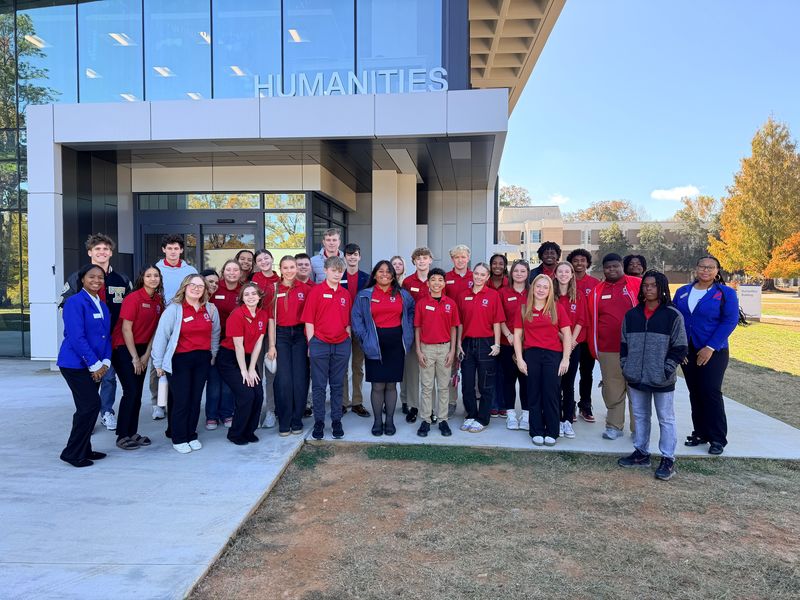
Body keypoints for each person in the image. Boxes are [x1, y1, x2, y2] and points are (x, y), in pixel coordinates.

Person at [618, 271, 688, 480]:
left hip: (661, 377)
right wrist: (626, 366)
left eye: (653, 286)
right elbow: (623, 344)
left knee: (666, 418)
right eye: (645, 286)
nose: (648, 289)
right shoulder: (632, 315)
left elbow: (680, 346)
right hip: (635, 376)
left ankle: (668, 458)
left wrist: (667, 368)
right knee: (640, 416)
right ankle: (641, 453)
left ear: (661, 288)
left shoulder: (672, 315)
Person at [60, 233, 132, 432]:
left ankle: (106, 411)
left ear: (111, 252)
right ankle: (87, 413)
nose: (102, 252)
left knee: (108, 376)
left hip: (113, 338)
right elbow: (65, 306)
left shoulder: (121, 278)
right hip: (86, 340)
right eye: (97, 249)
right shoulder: (77, 277)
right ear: (90, 252)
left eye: (106, 249)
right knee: (87, 380)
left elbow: (129, 307)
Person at [673, 256, 739, 455]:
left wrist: (710, 347)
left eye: (711, 268)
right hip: (688, 350)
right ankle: (700, 432)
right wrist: (680, 348)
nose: (706, 270)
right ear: (696, 268)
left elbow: (729, 321)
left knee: (710, 391)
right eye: (702, 266)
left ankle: (717, 438)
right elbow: (675, 318)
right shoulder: (683, 292)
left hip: (714, 350)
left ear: (717, 271)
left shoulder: (725, 293)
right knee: (695, 391)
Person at [152, 274, 220, 454]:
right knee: (182, 400)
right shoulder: (174, 309)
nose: (196, 288)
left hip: (202, 360)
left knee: (195, 399)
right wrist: (158, 363)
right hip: (180, 360)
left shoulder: (210, 309)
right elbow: (161, 337)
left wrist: (212, 354)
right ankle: (179, 437)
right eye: (193, 285)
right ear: (185, 286)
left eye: (200, 286)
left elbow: (215, 333)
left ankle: (191, 434)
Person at [57, 264, 112, 467]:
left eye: (100, 277)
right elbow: (76, 336)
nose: (97, 280)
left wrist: (105, 362)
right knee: (90, 406)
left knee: (86, 407)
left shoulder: (102, 304)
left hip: (96, 365)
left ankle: (84, 449)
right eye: (92, 277)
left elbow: (106, 336)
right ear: (82, 279)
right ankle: (72, 452)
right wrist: (94, 364)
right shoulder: (74, 302)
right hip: (75, 364)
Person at [352, 260, 415, 436]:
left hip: (396, 343)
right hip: (374, 342)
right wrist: (364, 339)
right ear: (374, 274)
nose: (385, 274)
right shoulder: (364, 295)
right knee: (378, 386)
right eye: (381, 271)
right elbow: (356, 318)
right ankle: (378, 421)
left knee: (391, 385)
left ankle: (390, 421)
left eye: (389, 271)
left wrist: (407, 333)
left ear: (394, 275)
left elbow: (411, 311)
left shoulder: (402, 294)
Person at [585, 253, 642, 440]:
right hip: (608, 349)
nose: (611, 270)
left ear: (621, 266)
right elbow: (591, 321)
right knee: (612, 388)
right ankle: (614, 426)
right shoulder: (597, 291)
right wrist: (594, 348)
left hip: (635, 348)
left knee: (635, 388)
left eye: (615, 266)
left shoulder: (636, 284)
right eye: (608, 267)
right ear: (603, 269)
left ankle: (639, 429)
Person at [514, 274, 572, 446]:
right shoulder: (524, 308)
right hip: (531, 354)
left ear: (550, 290)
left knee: (551, 393)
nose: (541, 290)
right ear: (533, 288)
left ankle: (552, 430)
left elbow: (567, 335)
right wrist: (519, 359)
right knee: (533, 392)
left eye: (545, 287)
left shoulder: (556, 308)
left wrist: (566, 359)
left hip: (553, 355)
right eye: (538, 286)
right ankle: (536, 430)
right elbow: (517, 336)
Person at [110, 265, 163, 450]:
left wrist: (147, 355)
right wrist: (135, 357)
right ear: (142, 278)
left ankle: (132, 432)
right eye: (149, 275)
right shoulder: (133, 298)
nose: (153, 278)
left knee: (137, 394)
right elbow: (126, 329)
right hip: (124, 347)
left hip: (142, 348)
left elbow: (155, 331)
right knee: (130, 391)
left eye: (156, 275)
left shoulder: (158, 300)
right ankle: (122, 435)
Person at [301, 256, 352, 440]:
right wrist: (312, 343)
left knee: (338, 385)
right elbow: (309, 320)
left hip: (341, 344)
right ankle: (319, 422)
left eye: (340, 271)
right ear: (325, 270)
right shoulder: (316, 292)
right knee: (319, 386)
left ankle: (336, 420)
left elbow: (347, 322)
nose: (337, 274)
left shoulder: (345, 294)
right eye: (334, 270)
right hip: (320, 344)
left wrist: (347, 338)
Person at [152, 234, 198, 420]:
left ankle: (174, 401)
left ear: (181, 250)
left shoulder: (190, 270)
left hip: (183, 320)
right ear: (164, 250)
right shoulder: (156, 269)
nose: (173, 251)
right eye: (169, 248)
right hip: (160, 319)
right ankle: (158, 403)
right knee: (159, 360)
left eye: (176, 248)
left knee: (178, 362)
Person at [216, 283, 267, 445]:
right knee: (246, 395)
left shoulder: (262, 314)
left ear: (259, 297)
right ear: (242, 298)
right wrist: (244, 372)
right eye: (247, 294)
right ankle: (236, 434)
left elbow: (259, 343)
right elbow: (238, 345)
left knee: (258, 395)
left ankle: (249, 431)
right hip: (229, 358)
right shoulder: (237, 315)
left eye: (254, 294)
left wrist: (252, 368)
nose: (250, 297)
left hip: (248, 357)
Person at [456, 262, 503, 433]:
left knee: (485, 384)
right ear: (472, 274)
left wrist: (497, 344)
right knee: (467, 384)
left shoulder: (493, 295)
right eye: (476, 273)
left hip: (486, 343)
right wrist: (459, 343)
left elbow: (497, 321)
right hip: (467, 343)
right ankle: (470, 415)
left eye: (483, 275)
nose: (478, 277)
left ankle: (482, 418)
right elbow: (459, 322)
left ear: (487, 277)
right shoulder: (463, 295)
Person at [266, 256, 310, 436]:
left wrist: (310, 343)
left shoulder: (305, 289)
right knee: (283, 380)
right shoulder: (273, 289)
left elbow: (309, 318)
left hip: (300, 335)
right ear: (281, 269)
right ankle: (284, 421)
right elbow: (270, 319)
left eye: (293, 267)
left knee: (300, 379)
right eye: (286, 267)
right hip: (281, 335)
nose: (290, 270)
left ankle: (296, 419)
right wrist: (271, 344)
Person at [414, 268, 459, 437]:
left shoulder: (450, 303)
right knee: (426, 387)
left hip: (445, 349)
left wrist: (452, 350)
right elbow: (417, 328)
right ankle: (425, 420)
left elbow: (454, 328)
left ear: (444, 283)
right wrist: (418, 350)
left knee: (443, 387)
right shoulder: (422, 304)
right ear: (428, 283)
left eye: (440, 280)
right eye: (433, 279)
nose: (437, 283)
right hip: (426, 348)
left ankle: (442, 420)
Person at [205, 260, 241, 430]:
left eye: (235, 270)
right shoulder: (214, 287)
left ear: (240, 273)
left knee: (228, 380)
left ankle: (227, 413)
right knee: (213, 380)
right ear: (223, 272)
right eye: (228, 269)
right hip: (212, 340)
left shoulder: (244, 290)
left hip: (233, 341)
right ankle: (211, 415)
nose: (232, 273)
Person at [567, 248, 601, 423]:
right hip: (569, 337)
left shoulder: (595, 283)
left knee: (586, 373)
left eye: (583, 260)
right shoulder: (565, 281)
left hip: (587, 336)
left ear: (587, 263)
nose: (579, 263)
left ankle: (585, 405)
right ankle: (569, 405)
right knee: (569, 374)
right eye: (576, 260)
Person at [554, 261, 586, 439]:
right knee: (555, 384)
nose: (564, 274)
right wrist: (563, 338)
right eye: (561, 271)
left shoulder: (578, 295)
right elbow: (549, 320)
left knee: (568, 384)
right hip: (554, 346)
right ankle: (556, 419)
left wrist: (571, 341)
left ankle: (567, 420)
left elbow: (582, 320)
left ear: (572, 274)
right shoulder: (551, 296)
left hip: (574, 346)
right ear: (556, 275)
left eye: (567, 271)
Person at [498, 260, 530, 430]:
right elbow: (499, 317)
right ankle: (510, 414)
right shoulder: (503, 293)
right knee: (509, 380)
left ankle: (526, 415)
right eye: (516, 271)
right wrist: (508, 334)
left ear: (527, 273)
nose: (519, 274)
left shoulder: (533, 292)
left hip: (528, 345)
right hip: (507, 342)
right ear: (511, 274)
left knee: (526, 381)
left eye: (522, 271)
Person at [340, 243, 371, 418]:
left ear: (360, 257)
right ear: (345, 256)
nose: (352, 257)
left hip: (360, 329)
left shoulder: (366, 278)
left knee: (358, 367)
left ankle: (357, 402)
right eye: (349, 254)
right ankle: (343, 402)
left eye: (355, 254)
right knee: (342, 367)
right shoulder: (338, 275)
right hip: (342, 328)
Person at [251, 249, 279, 428]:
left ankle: (271, 411)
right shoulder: (254, 281)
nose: (264, 261)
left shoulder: (281, 280)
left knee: (271, 373)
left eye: (266, 258)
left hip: (275, 331)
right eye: (260, 260)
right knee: (256, 373)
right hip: (256, 331)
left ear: (271, 259)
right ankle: (255, 411)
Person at [445, 244, 474, 417]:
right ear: (452, 259)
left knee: (471, 368)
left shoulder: (476, 276)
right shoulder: (446, 277)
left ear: (468, 258)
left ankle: (471, 401)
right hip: (450, 327)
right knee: (451, 367)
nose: (460, 260)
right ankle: (451, 401)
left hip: (470, 326)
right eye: (457, 257)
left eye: (463, 256)